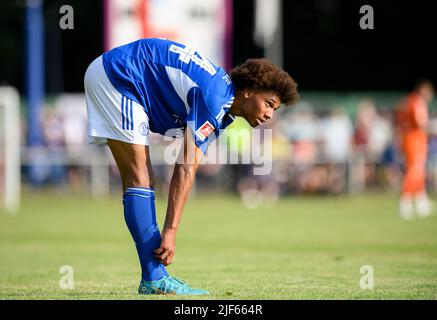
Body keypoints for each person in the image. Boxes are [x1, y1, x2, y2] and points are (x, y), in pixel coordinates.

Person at [84, 38, 298, 295]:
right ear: (249, 91)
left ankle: (154, 277)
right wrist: (171, 231)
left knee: (141, 179)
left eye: (274, 109)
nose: (269, 115)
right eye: (269, 104)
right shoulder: (215, 98)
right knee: (139, 178)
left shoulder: (223, 101)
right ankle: (154, 278)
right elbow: (185, 166)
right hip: (120, 75)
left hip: (120, 74)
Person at [396, 80, 434, 219]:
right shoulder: (417, 102)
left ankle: (420, 201)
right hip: (415, 140)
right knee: (414, 170)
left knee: (419, 170)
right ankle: (404, 201)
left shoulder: (409, 101)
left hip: (412, 139)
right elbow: (421, 124)